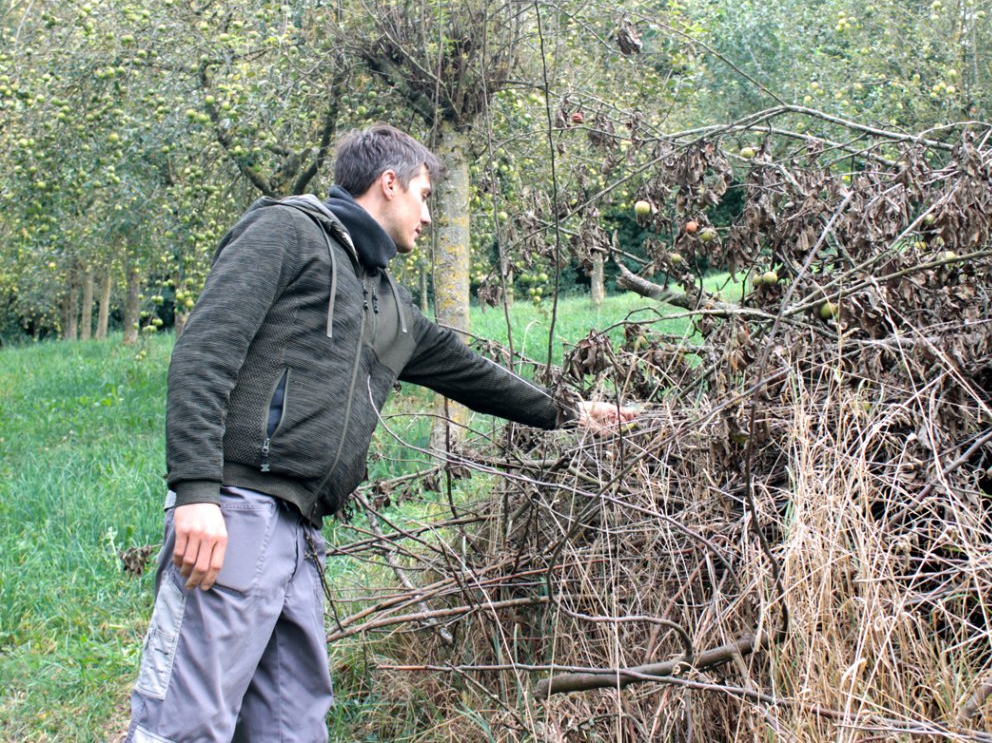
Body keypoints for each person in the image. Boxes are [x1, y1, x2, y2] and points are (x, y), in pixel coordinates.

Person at [124, 124, 635, 743]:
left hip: (299, 536)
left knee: (292, 724)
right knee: (187, 722)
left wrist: (574, 412)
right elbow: (204, 353)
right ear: (386, 183)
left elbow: (467, 372)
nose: (427, 214)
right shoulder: (286, 231)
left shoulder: (386, 300)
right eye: (423, 194)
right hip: (235, 513)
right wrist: (199, 491)